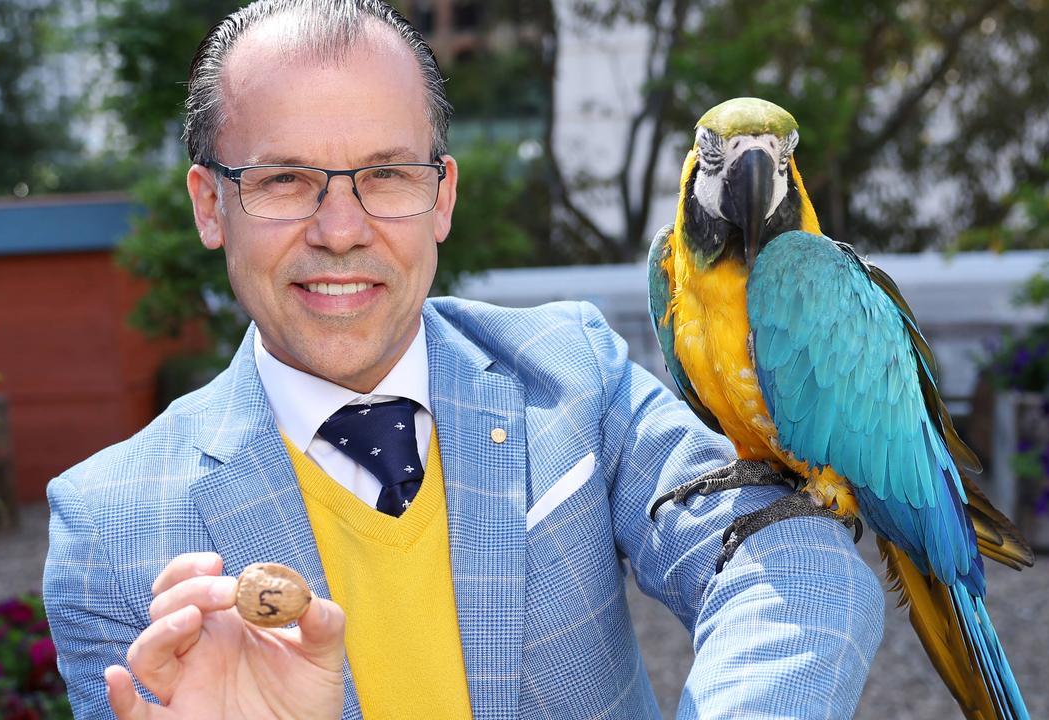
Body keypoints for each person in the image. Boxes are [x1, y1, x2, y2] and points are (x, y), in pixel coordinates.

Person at [43, 1, 885, 718]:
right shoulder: (110, 533)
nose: (341, 231)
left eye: (388, 174)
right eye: (285, 181)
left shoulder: (573, 373)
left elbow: (794, 563)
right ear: (210, 205)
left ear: (442, 196)